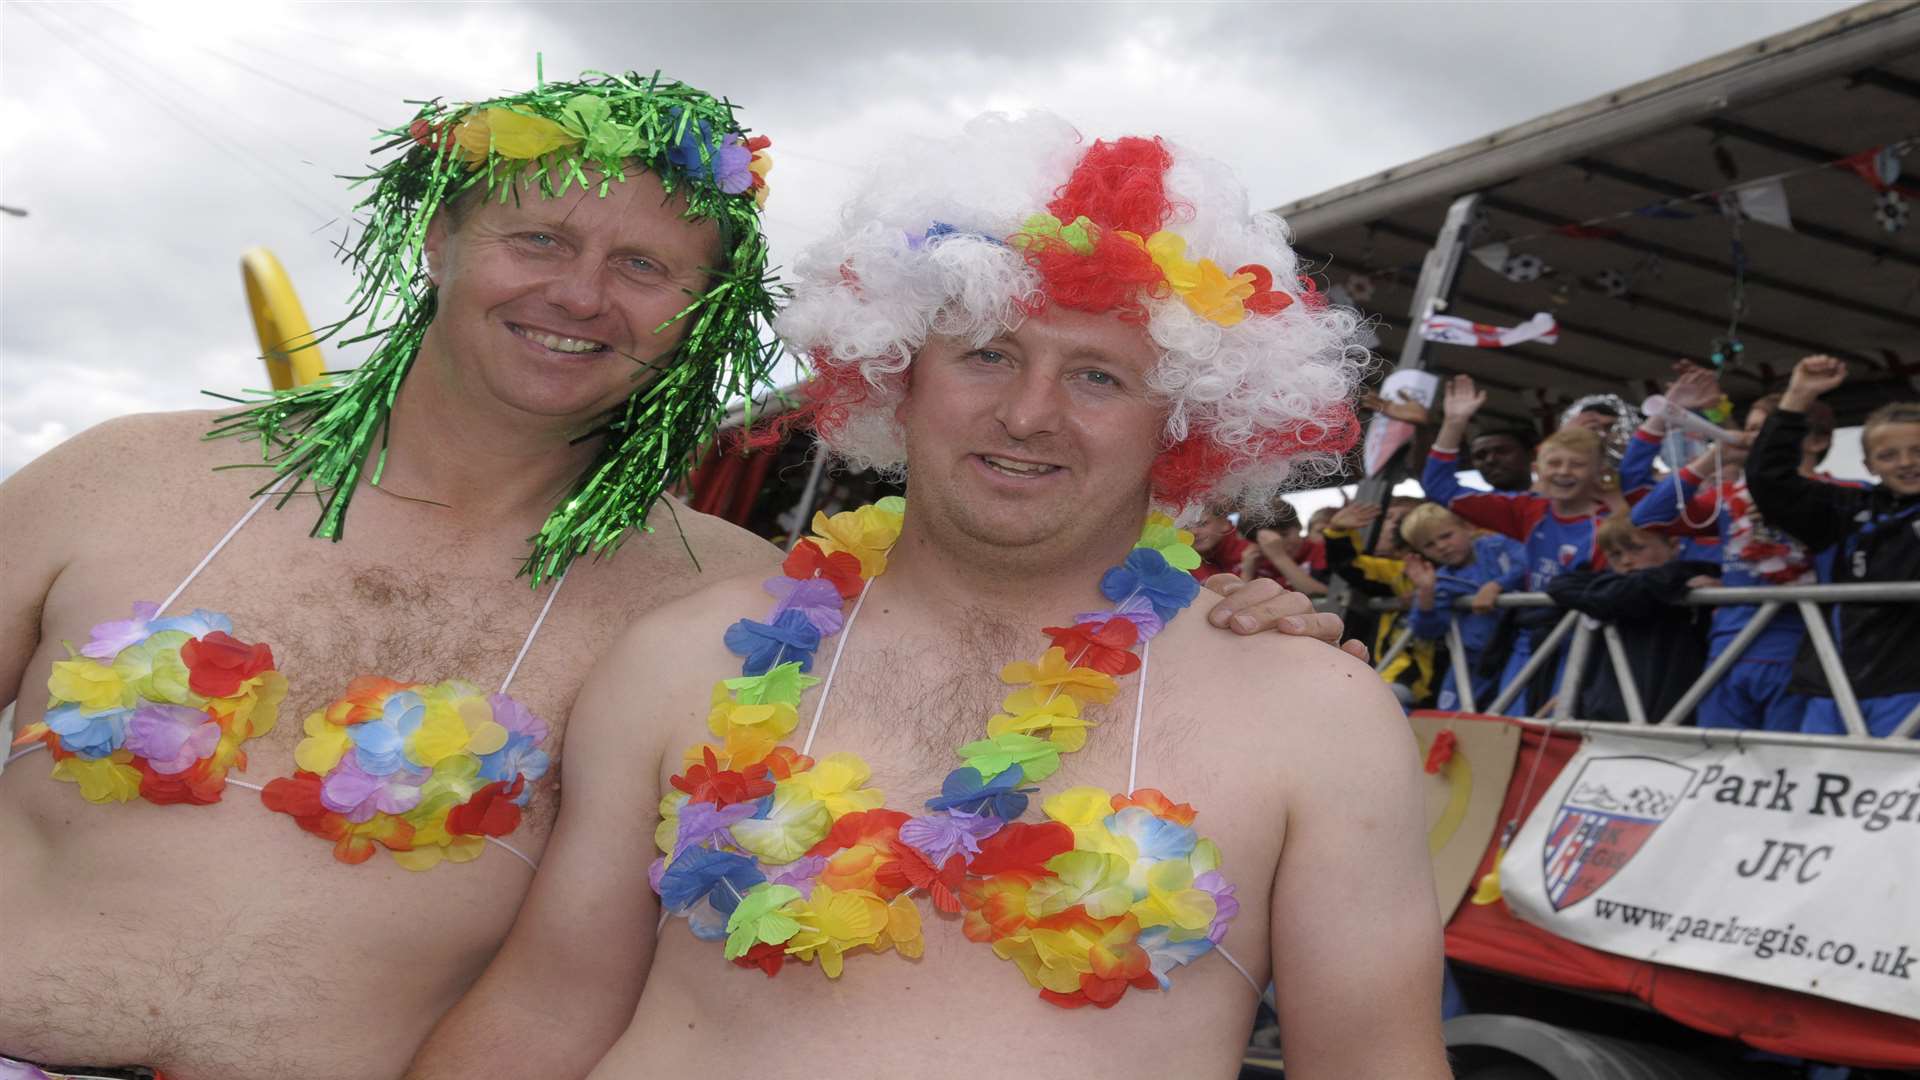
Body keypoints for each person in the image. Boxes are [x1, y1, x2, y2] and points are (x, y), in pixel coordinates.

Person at [0, 79, 1342, 1080]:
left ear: (697, 315)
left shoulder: (732, 609)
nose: (582, 294)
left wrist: (1234, 613)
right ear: (441, 244)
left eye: (644, 266)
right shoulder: (122, 478)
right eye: (539, 240)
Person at [408, 114, 1448, 1080]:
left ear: (1183, 426)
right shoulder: (688, 656)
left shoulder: (1313, 717)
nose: (1029, 415)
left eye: (1098, 378)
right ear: (896, 377)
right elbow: (546, 1014)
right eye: (987, 355)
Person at [1629, 381, 1832, 731]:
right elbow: (1647, 517)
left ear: (1816, 441)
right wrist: (1712, 458)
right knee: (1719, 762)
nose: (1756, 439)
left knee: (1784, 768)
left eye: (1769, 430)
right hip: (1727, 652)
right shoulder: (1730, 499)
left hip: (1798, 653)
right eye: (1752, 430)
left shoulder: (1841, 494)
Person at [1424, 375, 1626, 714]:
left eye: (1576, 464)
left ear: (1597, 472)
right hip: (1530, 638)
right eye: (1554, 463)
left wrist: (1616, 499)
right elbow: (1440, 488)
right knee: (1513, 725)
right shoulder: (1528, 510)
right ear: (1538, 470)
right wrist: (1454, 423)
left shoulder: (1612, 519)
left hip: (1591, 637)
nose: (1564, 472)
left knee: (1562, 728)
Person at [1745, 355, 1920, 738]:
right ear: (1869, 465)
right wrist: (1797, 397)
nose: (1906, 463)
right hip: (1834, 688)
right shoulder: (1850, 507)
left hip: (1910, 694)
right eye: (1888, 455)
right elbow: (1770, 483)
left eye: (1917, 450)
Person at [1543, 517, 1717, 723]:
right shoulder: (1662, 581)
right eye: (1615, 555)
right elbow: (1559, 586)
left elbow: (1674, 575)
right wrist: (1658, 586)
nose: (1626, 561)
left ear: (1673, 545)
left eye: (1636, 549)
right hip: (1609, 716)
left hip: (1671, 716)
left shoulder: (1695, 573)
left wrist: (1622, 591)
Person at [1398, 503, 1525, 712]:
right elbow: (1426, 631)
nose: (1441, 546)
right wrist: (1426, 592)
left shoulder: (1499, 546)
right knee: (1453, 718)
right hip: (1473, 661)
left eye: (1446, 536)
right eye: (1429, 545)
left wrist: (1498, 585)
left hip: (1519, 651)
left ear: (1467, 526)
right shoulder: (1441, 579)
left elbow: (1528, 565)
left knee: (1515, 713)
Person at [1241, 499, 1327, 596]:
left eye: (1284, 534)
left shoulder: (1321, 550)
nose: (1276, 543)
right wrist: (1247, 574)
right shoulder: (1256, 561)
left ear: (1299, 526)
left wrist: (1279, 557)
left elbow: (1323, 595)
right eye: (1265, 540)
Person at [1468, 428, 1537, 493]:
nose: (1490, 460)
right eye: (1480, 456)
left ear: (1531, 454)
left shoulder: (1546, 499)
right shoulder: (1469, 503)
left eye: (1502, 451)